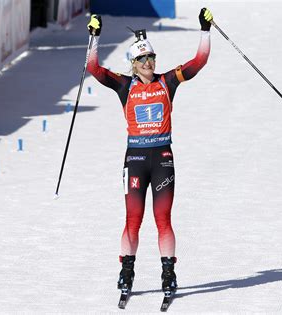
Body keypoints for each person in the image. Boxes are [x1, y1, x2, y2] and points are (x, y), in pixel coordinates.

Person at [86, 8, 213, 294]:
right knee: (133, 219)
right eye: (141, 59)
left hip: (162, 159)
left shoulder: (167, 81)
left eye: (151, 57)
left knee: (163, 219)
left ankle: (168, 273)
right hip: (136, 160)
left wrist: (205, 29)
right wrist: (94, 36)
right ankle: (127, 271)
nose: (148, 63)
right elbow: (94, 69)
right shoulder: (124, 85)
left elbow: (199, 61)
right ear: (133, 63)